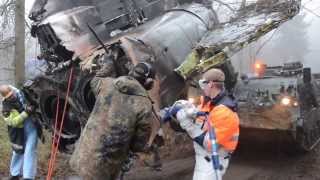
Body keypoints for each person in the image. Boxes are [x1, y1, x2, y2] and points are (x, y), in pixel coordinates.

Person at [70, 62, 158, 180]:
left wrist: (109, 64)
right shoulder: (145, 105)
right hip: (105, 170)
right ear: (149, 83)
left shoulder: (107, 84)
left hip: (81, 159)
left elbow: (94, 80)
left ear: (131, 72)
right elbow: (138, 145)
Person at [161, 68, 240, 180]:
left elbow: (210, 145)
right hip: (203, 158)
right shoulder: (210, 102)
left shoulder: (224, 112)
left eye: (203, 83)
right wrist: (186, 109)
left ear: (211, 84)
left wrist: (187, 124)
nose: (201, 87)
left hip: (213, 160)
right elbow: (203, 119)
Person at [0, 85, 38, 180]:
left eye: (12, 94)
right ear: (5, 97)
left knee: (30, 150)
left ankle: (28, 177)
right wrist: (26, 112)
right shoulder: (5, 109)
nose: (12, 96)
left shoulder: (19, 93)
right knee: (17, 151)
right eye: (9, 96)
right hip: (17, 130)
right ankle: (15, 173)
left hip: (31, 125)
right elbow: (13, 122)